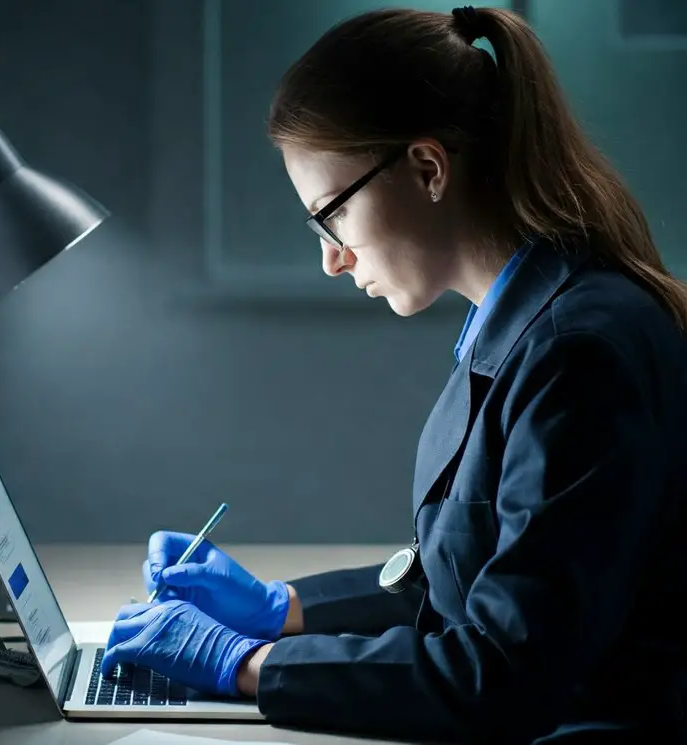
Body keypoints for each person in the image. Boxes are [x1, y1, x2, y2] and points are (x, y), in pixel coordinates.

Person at [101, 5, 687, 743]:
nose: (331, 258)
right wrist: (281, 608)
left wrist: (246, 664)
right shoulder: (532, 326)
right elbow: (468, 585)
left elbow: (502, 673)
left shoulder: (579, 353)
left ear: (427, 167)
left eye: (332, 215)